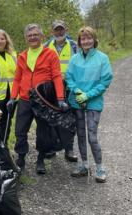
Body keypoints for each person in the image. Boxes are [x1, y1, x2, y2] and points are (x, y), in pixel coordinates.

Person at [7, 23, 68, 174]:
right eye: (29, 35)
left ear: (41, 36)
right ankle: (21, 158)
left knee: (43, 131)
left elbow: (56, 77)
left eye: (35, 35)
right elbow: (17, 79)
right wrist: (12, 97)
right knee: (20, 130)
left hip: (43, 100)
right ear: (26, 38)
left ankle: (40, 159)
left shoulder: (50, 54)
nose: (32, 37)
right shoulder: (22, 56)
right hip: (25, 99)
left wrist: (60, 98)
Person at [66, 26, 113, 183]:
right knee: (80, 135)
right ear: (79, 41)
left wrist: (88, 95)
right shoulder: (74, 59)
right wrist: (78, 93)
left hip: (93, 102)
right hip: (77, 101)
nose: (86, 41)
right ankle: (84, 165)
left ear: (94, 39)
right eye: (83, 38)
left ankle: (100, 167)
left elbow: (105, 80)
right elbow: (69, 77)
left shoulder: (102, 58)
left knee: (92, 136)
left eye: (89, 38)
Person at [44, 20, 78, 162]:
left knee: (70, 119)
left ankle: (69, 149)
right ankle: (52, 147)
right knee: (51, 117)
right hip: (51, 88)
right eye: (56, 30)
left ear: (66, 30)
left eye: (61, 29)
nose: (59, 32)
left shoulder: (75, 45)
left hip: (70, 87)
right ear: (52, 31)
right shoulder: (46, 46)